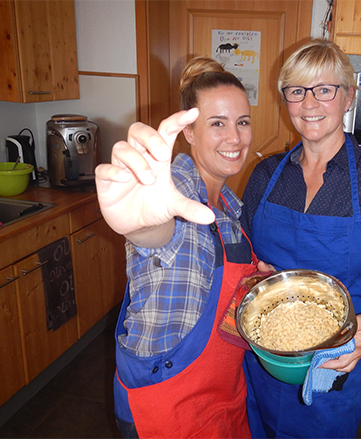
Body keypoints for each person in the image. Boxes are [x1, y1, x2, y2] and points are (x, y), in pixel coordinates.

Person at [240, 39, 361, 438]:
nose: (309, 103)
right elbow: (246, 256)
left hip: (333, 364)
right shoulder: (266, 176)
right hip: (261, 360)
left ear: (349, 96)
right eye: (297, 91)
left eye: (325, 89)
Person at [96, 57, 269, 439]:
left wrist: (258, 282)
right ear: (189, 133)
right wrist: (141, 225)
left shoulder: (228, 204)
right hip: (166, 399)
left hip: (223, 392)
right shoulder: (171, 192)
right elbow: (156, 235)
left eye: (242, 122)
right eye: (217, 124)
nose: (236, 138)